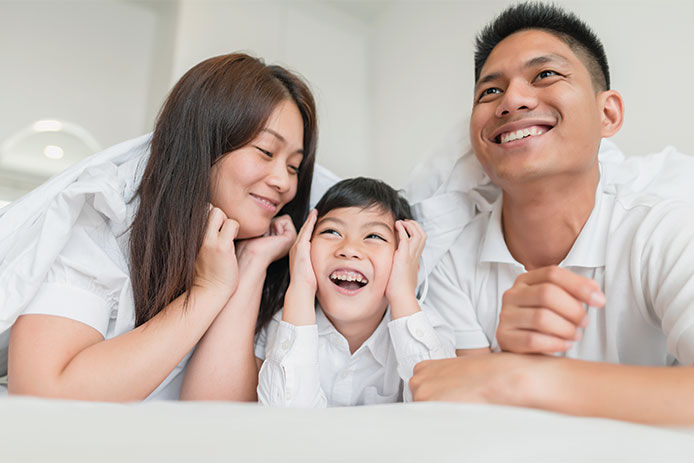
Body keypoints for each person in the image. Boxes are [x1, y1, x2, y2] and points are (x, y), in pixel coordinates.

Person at [408, 2, 694, 424]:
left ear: (608, 113)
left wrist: (520, 377)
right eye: (490, 91)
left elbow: (491, 385)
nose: (512, 100)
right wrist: (507, 365)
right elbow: (459, 413)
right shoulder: (450, 263)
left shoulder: (663, 234)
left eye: (544, 75)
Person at [0, 53, 321, 401]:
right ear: (205, 141)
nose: (283, 183)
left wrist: (252, 264)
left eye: (294, 167)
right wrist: (207, 291)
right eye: (265, 151)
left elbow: (212, 417)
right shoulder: (100, 222)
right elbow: (44, 393)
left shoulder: (265, 262)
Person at [247, 177, 454, 407]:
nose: (349, 249)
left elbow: (439, 414)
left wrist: (404, 292)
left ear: (405, 261)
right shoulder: (284, 325)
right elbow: (286, 421)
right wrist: (301, 286)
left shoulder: (430, 330)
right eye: (332, 232)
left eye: (374, 236)